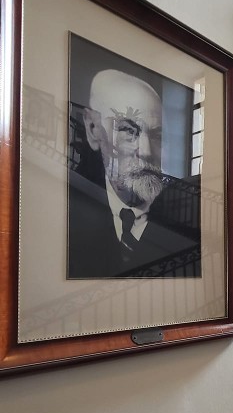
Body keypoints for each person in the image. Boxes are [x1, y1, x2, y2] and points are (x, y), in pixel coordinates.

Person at [68, 69, 201, 278]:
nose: (146, 151)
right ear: (93, 129)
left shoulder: (186, 226)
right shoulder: (67, 214)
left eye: (156, 135)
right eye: (129, 131)